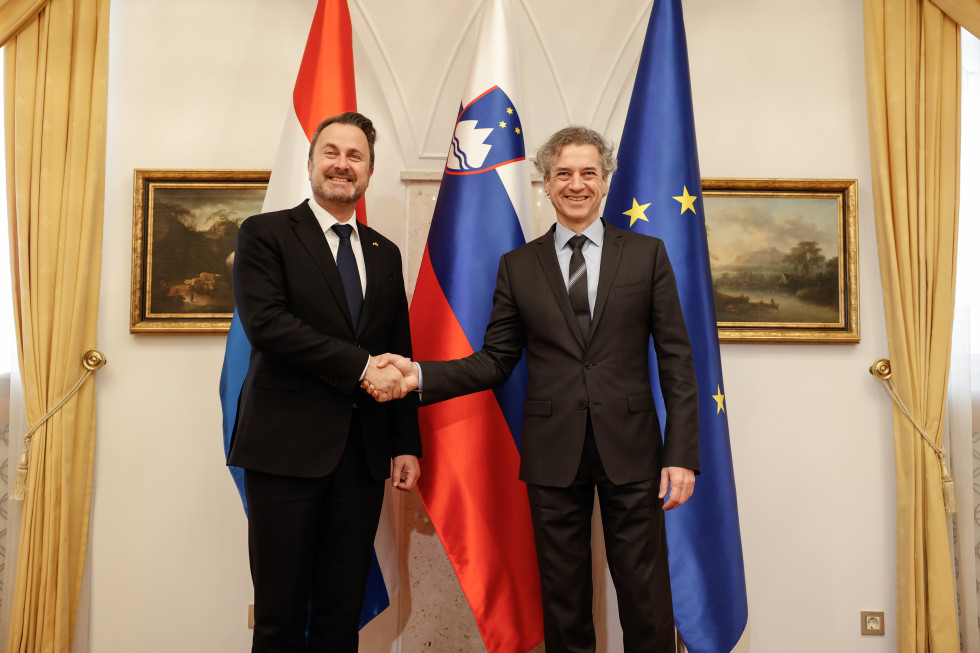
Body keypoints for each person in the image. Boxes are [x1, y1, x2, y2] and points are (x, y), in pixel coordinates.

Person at [367, 126, 699, 653]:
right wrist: (421, 376)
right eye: (563, 173)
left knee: (645, 596)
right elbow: (496, 361)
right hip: (552, 452)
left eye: (588, 173)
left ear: (605, 181)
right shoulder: (519, 266)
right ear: (545, 182)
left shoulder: (647, 255)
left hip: (634, 449)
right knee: (564, 601)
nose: (576, 184)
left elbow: (678, 362)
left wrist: (681, 455)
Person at [228, 111, 421, 653]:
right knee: (280, 616)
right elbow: (268, 326)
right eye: (331, 153)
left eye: (355, 156)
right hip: (284, 454)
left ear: (369, 171)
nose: (342, 164)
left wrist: (406, 443)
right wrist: (361, 367)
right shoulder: (264, 234)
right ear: (310, 164)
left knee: (341, 616)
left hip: (360, 459)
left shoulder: (385, 253)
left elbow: (400, 352)